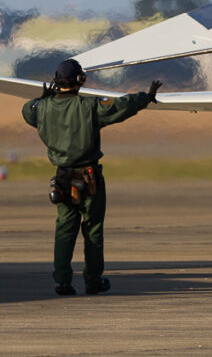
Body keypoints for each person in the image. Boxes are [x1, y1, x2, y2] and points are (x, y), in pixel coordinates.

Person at [21, 59, 161, 296]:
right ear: (80, 81)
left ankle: (62, 281)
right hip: (89, 179)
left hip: (63, 179)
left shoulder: (42, 109)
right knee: (93, 229)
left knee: (65, 230)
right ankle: (93, 281)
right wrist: (145, 97)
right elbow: (120, 107)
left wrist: (42, 99)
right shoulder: (89, 106)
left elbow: (27, 111)